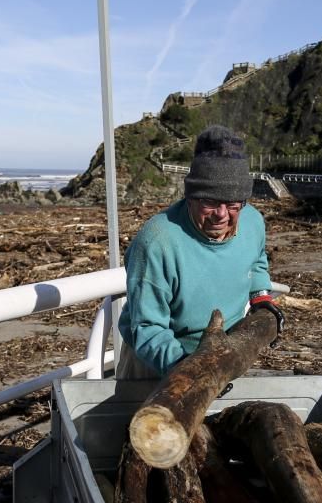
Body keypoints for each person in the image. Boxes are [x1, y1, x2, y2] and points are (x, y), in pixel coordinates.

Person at [117, 125, 284, 379]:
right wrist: (191, 371)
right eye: (209, 201)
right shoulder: (156, 243)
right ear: (191, 196)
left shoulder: (252, 222)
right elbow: (148, 327)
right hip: (155, 362)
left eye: (232, 204)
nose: (221, 214)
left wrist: (261, 295)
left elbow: (257, 260)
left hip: (224, 354)